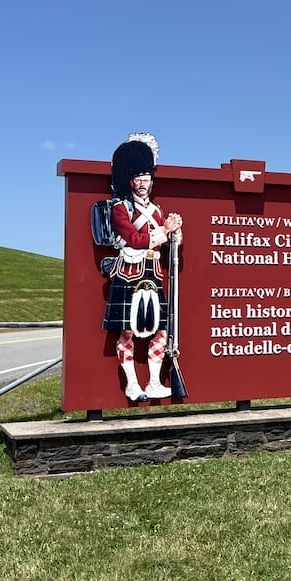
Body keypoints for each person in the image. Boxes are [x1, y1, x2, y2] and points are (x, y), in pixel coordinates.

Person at [102, 133, 182, 402]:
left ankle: (155, 382)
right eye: (138, 177)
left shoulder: (157, 211)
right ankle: (132, 384)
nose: (143, 183)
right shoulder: (120, 210)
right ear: (129, 180)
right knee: (127, 332)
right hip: (129, 272)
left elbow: (164, 241)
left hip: (153, 272)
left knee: (159, 332)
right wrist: (164, 231)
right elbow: (135, 240)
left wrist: (175, 234)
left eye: (147, 177)